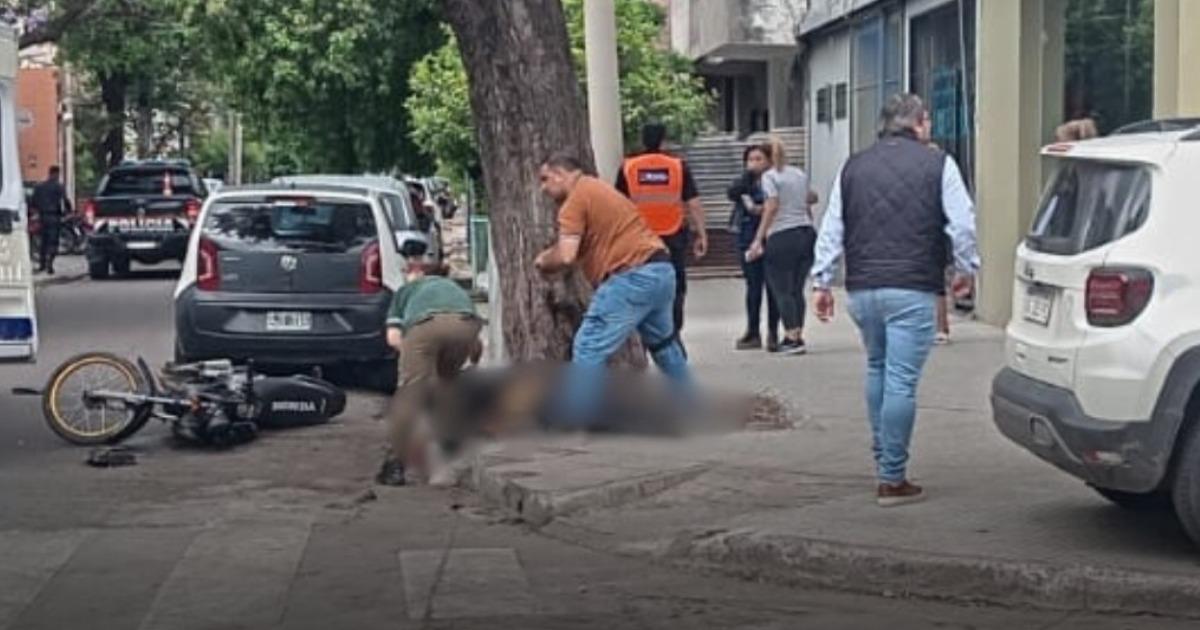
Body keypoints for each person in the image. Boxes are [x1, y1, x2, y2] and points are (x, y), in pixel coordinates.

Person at [810, 93, 979, 507]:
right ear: (920, 123)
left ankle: (883, 456)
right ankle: (892, 477)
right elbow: (962, 223)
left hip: (863, 288)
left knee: (878, 368)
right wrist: (965, 270)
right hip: (911, 287)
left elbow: (833, 224)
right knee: (901, 380)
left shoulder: (853, 166)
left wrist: (821, 281)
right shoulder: (939, 164)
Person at [536, 153, 691, 428]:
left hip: (629, 276)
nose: (543, 188)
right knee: (663, 344)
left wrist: (543, 261)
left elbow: (567, 255)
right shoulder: (598, 189)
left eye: (545, 179)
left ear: (562, 174)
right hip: (661, 270)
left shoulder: (574, 201)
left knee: (588, 344)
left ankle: (577, 413)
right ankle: (691, 405)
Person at [377, 245, 484, 486]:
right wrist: (473, 363)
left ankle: (395, 465)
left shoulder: (407, 290)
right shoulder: (454, 289)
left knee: (410, 395)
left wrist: (416, 364)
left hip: (425, 326)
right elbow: (476, 345)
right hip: (466, 325)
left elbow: (394, 339)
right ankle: (447, 458)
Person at [616, 122, 708, 337]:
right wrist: (701, 233)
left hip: (639, 237)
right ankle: (673, 331)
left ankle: (643, 333)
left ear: (642, 140)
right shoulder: (678, 166)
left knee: (639, 283)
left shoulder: (629, 167)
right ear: (664, 140)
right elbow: (693, 202)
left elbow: (618, 203)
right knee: (675, 283)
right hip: (672, 234)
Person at [746, 138, 818, 356]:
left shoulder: (769, 177)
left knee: (782, 289)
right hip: (806, 233)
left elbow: (772, 206)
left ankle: (791, 337)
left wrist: (759, 239)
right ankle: (798, 334)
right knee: (797, 289)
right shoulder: (798, 173)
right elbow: (809, 200)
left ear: (768, 159)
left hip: (782, 235)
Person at [727, 144, 780, 351]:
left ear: (768, 161)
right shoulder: (744, 182)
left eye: (759, 159)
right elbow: (733, 193)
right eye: (750, 159)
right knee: (753, 286)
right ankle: (752, 331)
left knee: (773, 286)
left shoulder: (776, 180)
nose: (754, 163)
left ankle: (773, 332)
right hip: (747, 234)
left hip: (771, 235)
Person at [31, 165, 72, 275]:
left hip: (42, 217)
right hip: (54, 217)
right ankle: (50, 263)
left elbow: (33, 202)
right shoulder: (59, 187)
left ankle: (42, 264)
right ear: (56, 174)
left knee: (43, 242)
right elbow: (65, 201)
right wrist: (69, 211)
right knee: (53, 241)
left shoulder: (39, 187)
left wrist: (36, 213)